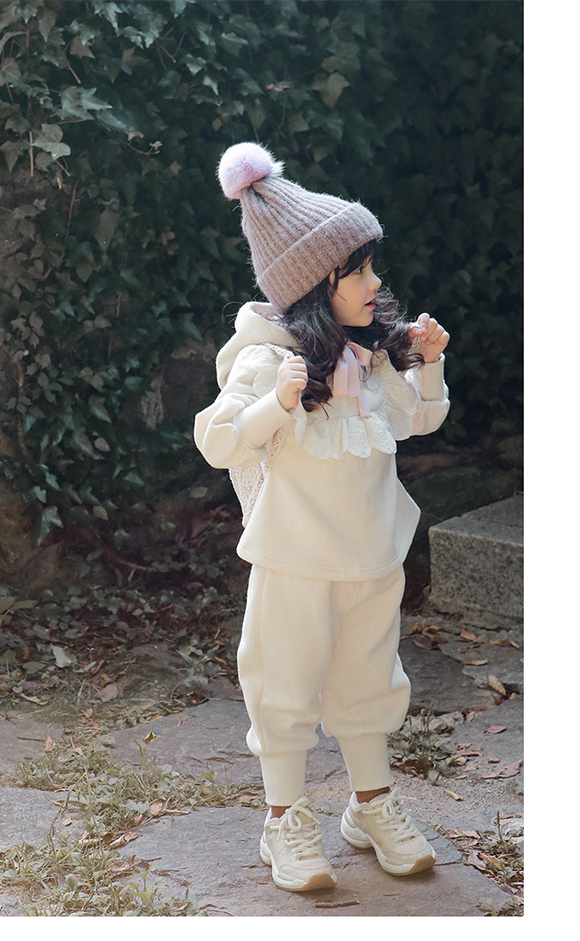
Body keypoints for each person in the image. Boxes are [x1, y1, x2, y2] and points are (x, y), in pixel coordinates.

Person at [193, 142, 450, 892]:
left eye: (372, 267)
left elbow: (420, 419)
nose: (376, 283)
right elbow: (217, 440)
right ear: (314, 286)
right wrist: (278, 402)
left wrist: (429, 363)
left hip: (372, 554)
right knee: (283, 679)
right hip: (295, 558)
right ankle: (285, 817)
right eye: (358, 272)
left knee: (370, 676)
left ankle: (371, 805)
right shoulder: (268, 358)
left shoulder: (372, 357)